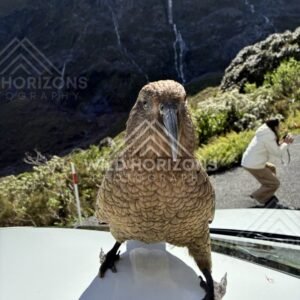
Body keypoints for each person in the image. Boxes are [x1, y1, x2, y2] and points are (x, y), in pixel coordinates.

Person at [241, 118, 294, 208]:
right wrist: (286, 143)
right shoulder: (268, 136)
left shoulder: (265, 132)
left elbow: (273, 148)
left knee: (272, 168)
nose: (280, 128)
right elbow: (277, 153)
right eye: (279, 126)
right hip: (255, 165)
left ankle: (266, 192)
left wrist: (282, 142)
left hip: (249, 161)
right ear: (275, 126)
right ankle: (257, 196)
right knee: (275, 183)